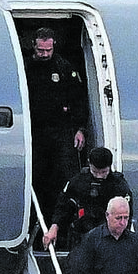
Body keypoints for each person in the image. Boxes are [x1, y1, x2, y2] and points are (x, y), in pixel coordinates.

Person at [25, 27, 89, 220]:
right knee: (36, 177)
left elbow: (79, 100)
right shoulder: (25, 67)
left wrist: (80, 129)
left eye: (48, 50)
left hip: (60, 131)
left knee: (62, 178)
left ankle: (61, 222)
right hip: (33, 131)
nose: (45, 54)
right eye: (40, 50)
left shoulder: (64, 68)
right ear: (33, 46)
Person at [42, 147, 133, 250]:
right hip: (81, 236)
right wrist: (54, 227)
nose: (99, 176)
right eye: (95, 172)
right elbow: (64, 206)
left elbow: (126, 216)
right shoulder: (78, 182)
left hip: (110, 239)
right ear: (89, 165)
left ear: (109, 167)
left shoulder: (119, 186)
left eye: (103, 172)